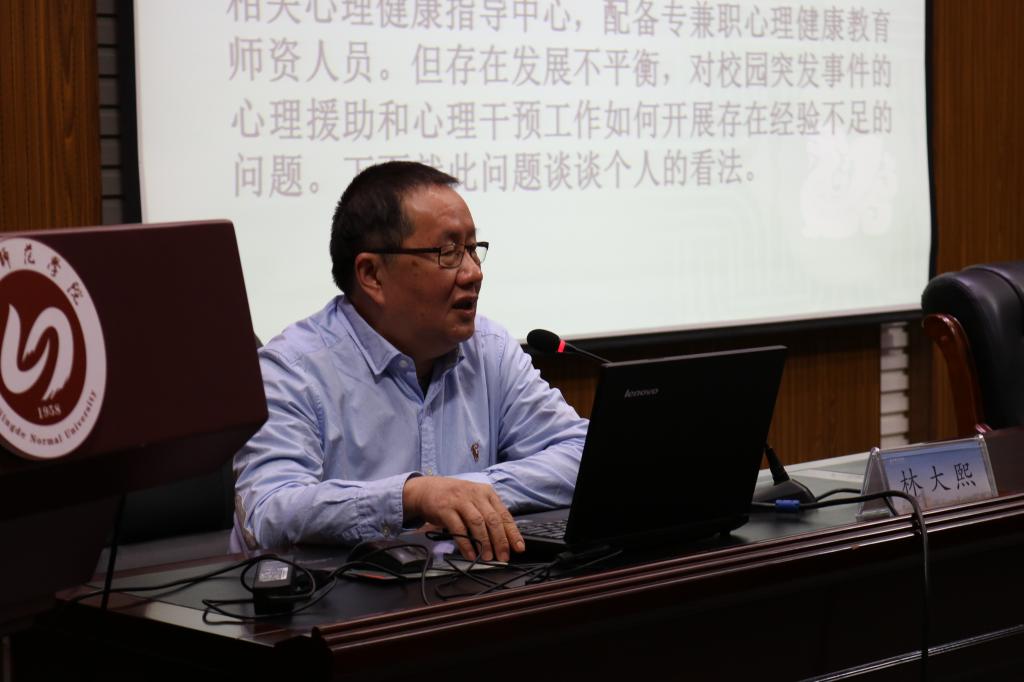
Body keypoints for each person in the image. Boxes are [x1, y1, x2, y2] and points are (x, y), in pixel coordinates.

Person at [232, 161, 587, 562]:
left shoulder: (489, 349)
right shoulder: (291, 369)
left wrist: (469, 493)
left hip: (465, 584)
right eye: (449, 252)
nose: (473, 273)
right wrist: (409, 497)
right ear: (372, 274)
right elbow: (266, 513)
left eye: (473, 249)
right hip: (341, 595)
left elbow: (582, 454)